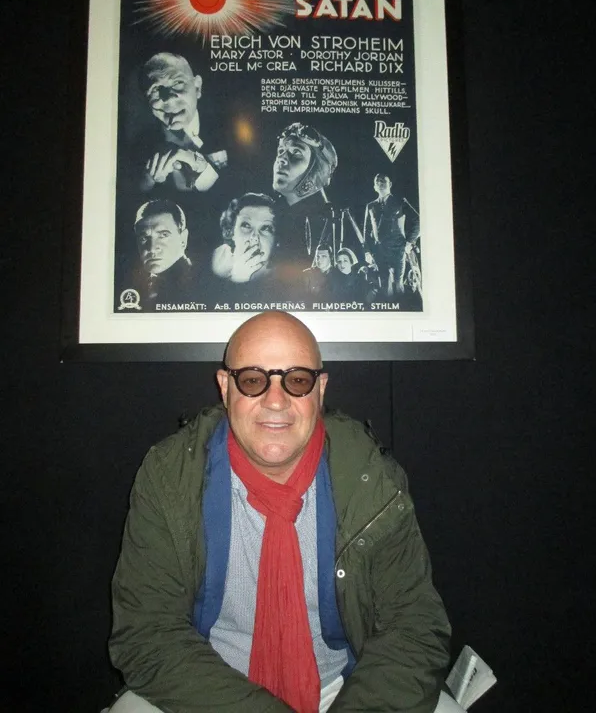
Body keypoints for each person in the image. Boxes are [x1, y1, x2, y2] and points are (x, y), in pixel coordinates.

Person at [107, 312, 460, 713]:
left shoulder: (372, 477)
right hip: (209, 690)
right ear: (225, 387)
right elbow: (148, 633)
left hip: (345, 689)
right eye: (252, 380)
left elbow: (413, 625)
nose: (275, 401)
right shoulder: (170, 477)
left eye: (297, 380)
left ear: (320, 390)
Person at [138, 52, 228, 194]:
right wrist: (147, 182)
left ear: (197, 88)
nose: (169, 99)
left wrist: (203, 169)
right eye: (155, 89)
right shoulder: (138, 146)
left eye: (178, 83)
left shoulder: (230, 131)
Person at [272, 123, 338, 287]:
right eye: (281, 151)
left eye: (296, 153)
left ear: (316, 170)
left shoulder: (327, 218)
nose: (281, 158)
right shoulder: (269, 210)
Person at [363, 174, 420, 297]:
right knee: (384, 285)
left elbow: (418, 220)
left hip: (397, 249)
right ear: (374, 187)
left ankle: (402, 306)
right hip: (379, 251)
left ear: (390, 184)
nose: (380, 184)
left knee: (398, 284)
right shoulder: (371, 206)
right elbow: (366, 231)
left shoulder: (400, 202)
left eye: (383, 181)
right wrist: (367, 251)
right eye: (377, 182)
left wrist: (409, 242)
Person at [131, 199, 195, 308]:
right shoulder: (138, 288)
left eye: (163, 235)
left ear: (183, 239)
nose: (151, 248)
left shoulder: (196, 286)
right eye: (143, 238)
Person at [212, 192, 277, 284]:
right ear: (232, 231)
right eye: (246, 225)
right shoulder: (217, 261)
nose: (254, 237)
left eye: (266, 228)